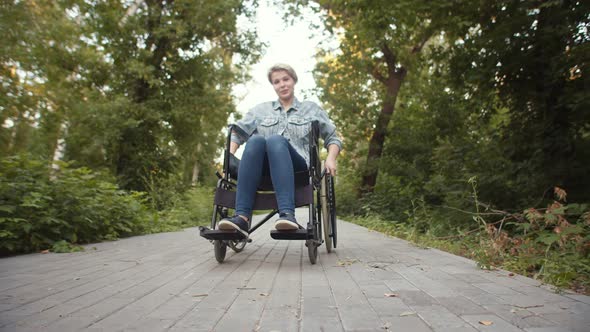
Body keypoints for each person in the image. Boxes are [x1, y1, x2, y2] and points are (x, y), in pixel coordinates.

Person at [218, 63, 342, 236]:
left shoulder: (311, 109)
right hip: (261, 172)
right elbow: (236, 134)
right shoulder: (260, 110)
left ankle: (287, 215)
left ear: (293, 80)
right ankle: (242, 218)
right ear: (273, 86)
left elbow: (333, 138)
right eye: (277, 82)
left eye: (286, 79)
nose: (282, 84)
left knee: (275, 140)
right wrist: (228, 158)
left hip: (299, 170)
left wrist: (330, 158)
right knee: (256, 141)